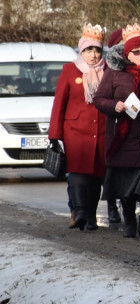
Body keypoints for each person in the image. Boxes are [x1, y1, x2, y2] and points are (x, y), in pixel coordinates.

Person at [93, 24, 140, 240]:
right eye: (136, 52)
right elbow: (99, 99)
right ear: (127, 54)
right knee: (126, 185)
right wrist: (115, 105)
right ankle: (129, 219)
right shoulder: (115, 73)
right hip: (124, 137)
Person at [49, 24, 108, 231]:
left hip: (100, 131)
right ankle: (80, 211)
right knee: (77, 173)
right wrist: (54, 135)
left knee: (96, 176)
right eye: (89, 50)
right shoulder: (70, 69)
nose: (93, 55)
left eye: (97, 50)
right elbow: (59, 103)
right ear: (81, 50)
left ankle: (91, 216)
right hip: (75, 131)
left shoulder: (108, 70)